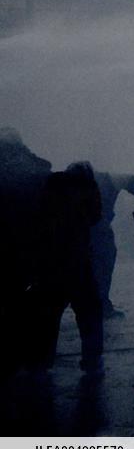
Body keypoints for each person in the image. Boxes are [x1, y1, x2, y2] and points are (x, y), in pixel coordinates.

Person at [31, 162, 104, 376]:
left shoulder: (52, 185)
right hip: (78, 262)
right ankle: (91, 359)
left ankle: (42, 361)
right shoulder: (88, 187)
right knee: (89, 313)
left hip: (52, 262)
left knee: (49, 314)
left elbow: (39, 218)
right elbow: (95, 217)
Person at [0, 128, 51, 379]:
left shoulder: (7, 169)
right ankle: (34, 357)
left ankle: (11, 355)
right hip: (34, 244)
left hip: (8, 244)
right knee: (34, 302)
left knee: (10, 301)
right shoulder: (35, 168)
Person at [91, 171, 134, 319]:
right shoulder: (112, 180)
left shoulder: (87, 182)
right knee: (104, 264)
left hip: (90, 228)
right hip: (98, 229)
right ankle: (101, 306)